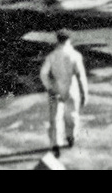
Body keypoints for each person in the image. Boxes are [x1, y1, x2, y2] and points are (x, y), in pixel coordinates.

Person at [39, 29, 89, 157]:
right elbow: (81, 76)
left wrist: (49, 87)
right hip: (72, 88)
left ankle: (55, 143)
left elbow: (43, 74)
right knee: (72, 115)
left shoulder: (51, 56)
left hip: (56, 88)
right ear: (69, 39)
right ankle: (71, 137)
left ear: (57, 40)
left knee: (55, 117)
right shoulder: (75, 55)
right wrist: (85, 93)